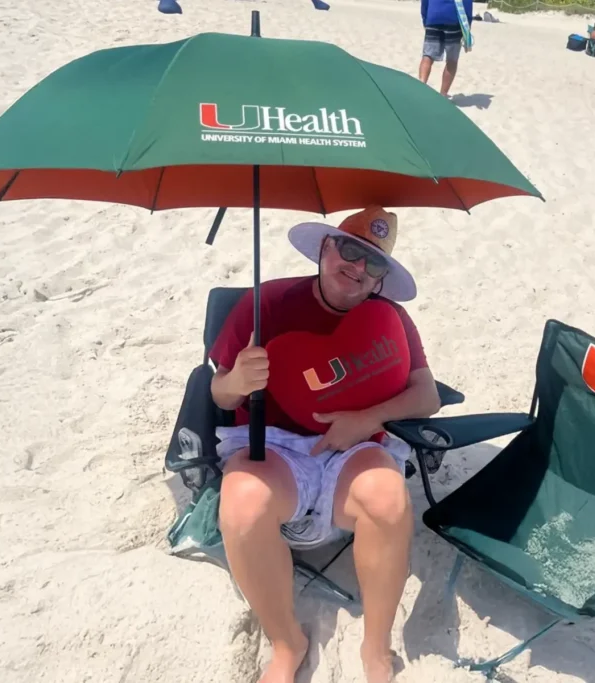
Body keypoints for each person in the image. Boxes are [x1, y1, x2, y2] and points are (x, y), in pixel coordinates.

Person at [210, 206, 441, 683]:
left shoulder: (390, 319)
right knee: (242, 507)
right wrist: (237, 379)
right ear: (324, 247)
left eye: (373, 263)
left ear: (381, 280)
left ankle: (376, 648)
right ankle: (286, 642)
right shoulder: (266, 303)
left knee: (389, 502)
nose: (357, 269)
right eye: (350, 250)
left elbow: (428, 395)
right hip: (273, 443)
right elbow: (216, 394)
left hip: (355, 447)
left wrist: (366, 419)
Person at [419, 0, 474, 97]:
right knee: (452, 60)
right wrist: (467, 25)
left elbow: (425, 2)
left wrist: (425, 19)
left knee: (427, 56)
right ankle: (443, 94)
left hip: (433, 16)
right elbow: (467, 4)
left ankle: (420, 87)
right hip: (454, 19)